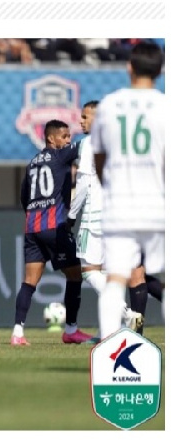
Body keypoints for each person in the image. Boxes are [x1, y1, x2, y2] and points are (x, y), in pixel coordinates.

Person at [92, 41, 165, 339]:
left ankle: (110, 354)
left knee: (115, 281)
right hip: (158, 205)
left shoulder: (109, 104)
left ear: (129, 67)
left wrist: (111, 185)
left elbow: (98, 157)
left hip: (119, 205)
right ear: (160, 71)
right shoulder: (165, 106)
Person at [11, 119, 93, 346]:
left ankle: (17, 332)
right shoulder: (60, 156)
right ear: (51, 139)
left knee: (29, 282)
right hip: (54, 227)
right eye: (65, 136)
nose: (68, 140)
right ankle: (71, 330)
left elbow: (24, 198)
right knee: (76, 274)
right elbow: (87, 144)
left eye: (69, 137)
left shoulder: (32, 164)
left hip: (31, 227)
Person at [67, 101, 144, 332]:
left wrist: (71, 215)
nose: (81, 120)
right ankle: (111, 330)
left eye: (85, 116)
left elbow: (82, 184)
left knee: (90, 272)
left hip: (95, 216)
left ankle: (128, 314)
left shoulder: (88, 144)